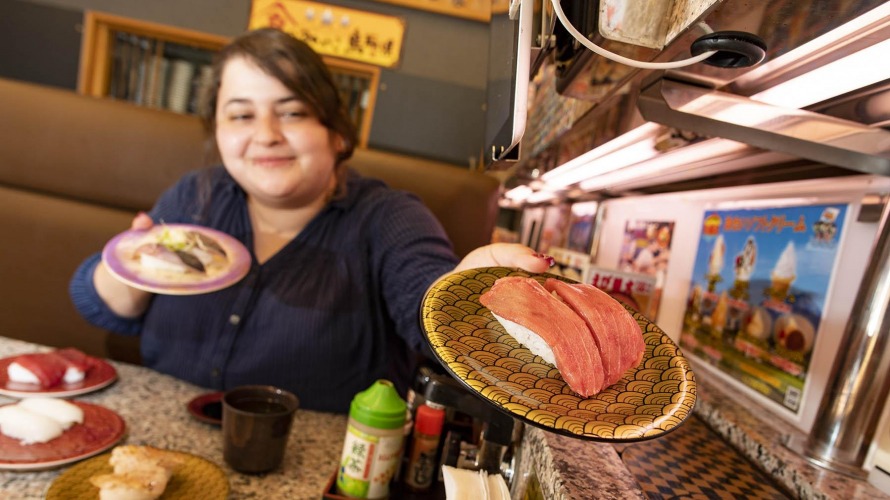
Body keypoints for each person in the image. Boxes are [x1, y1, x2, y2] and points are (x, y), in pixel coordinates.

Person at [69, 28, 550, 413]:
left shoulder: (388, 218)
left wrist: (465, 291)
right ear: (217, 132)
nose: (265, 135)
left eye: (292, 112)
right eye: (240, 116)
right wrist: (130, 270)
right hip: (162, 429)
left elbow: (426, 313)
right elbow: (97, 304)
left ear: (337, 132)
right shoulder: (197, 196)